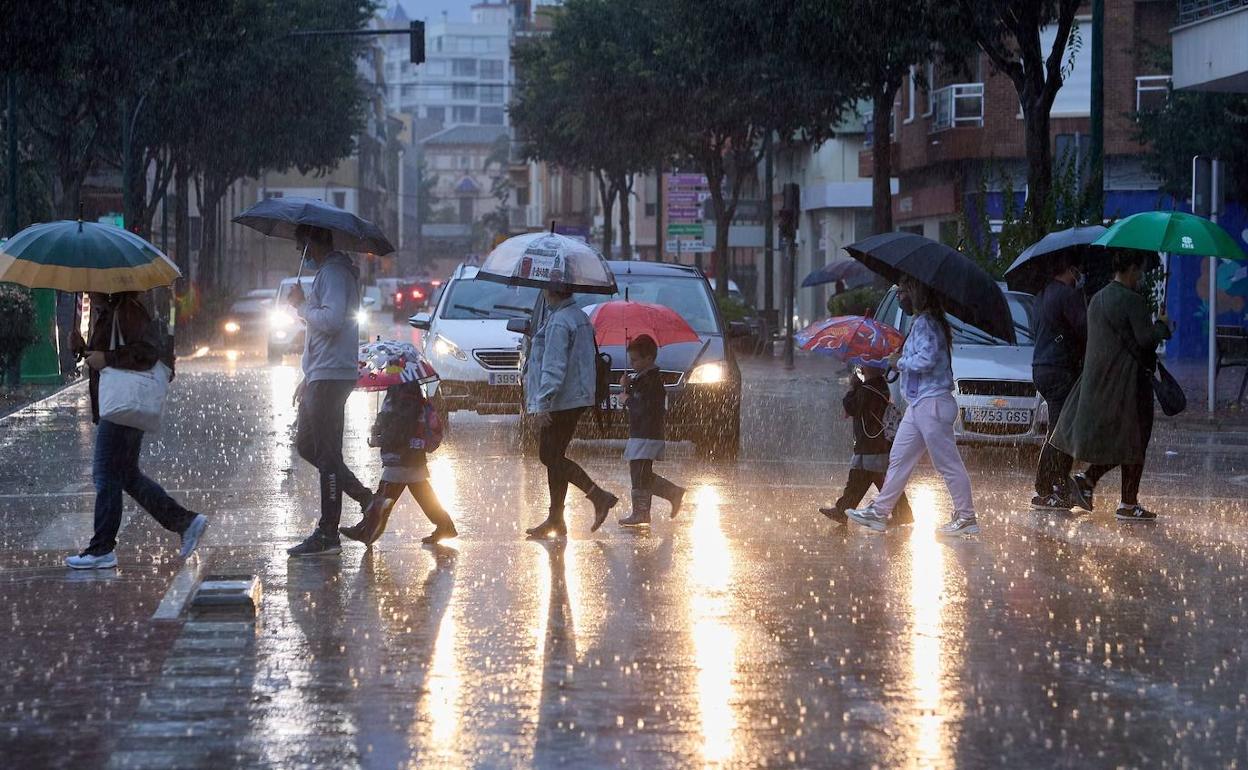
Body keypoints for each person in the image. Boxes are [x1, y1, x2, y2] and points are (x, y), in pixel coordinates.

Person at [65, 292, 207, 569]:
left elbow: (146, 352)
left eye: (92, 287)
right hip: (121, 404)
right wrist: (82, 349)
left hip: (124, 404)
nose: (88, 292)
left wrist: (107, 357)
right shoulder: (110, 312)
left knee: (105, 473)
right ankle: (185, 522)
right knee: (126, 475)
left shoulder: (127, 310)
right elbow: (105, 356)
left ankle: (102, 549)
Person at [846, 277, 980, 537]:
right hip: (920, 405)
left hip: (933, 404)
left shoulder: (927, 323)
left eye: (904, 292)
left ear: (917, 293)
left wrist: (900, 363)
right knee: (898, 458)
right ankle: (880, 511)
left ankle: (966, 516)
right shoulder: (923, 322)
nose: (900, 297)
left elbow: (927, 359)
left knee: (948, 464)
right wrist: (899, 357)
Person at [1051, 250, 1169, 521]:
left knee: (1125, 440)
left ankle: (1092, 482)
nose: (1141, 276)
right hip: (1130, 383)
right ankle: (1124, 502)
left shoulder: (1098, 299)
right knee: (1135, 441)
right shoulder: (1132, 301)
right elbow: (1145, 340)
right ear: (1132, 268)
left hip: (1099, 380)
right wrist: (1162, 327)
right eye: (1139, 270)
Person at [287, 225, 374, 557]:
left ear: (312, 242)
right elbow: (320, 334)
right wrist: (307, 376)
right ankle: (366, 498)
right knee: (308, 445)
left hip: (332, 375)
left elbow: (334, 320)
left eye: (302, 247)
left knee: (326, 455)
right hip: (320, 374)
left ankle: (328, 532)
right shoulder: (327, 273)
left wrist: (301, 307)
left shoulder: (335, 273)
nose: (302, 255)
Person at [524, 285, 619, 539]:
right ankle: (556, 519)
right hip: (575, 397)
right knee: (555, 456)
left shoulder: (560, 321)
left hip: (561, 399)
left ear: (550, 291)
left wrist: (542, 403)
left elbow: (554, 366)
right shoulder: (578, 316)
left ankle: (598, 496)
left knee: (549, 455)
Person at [340, 381, 457, 546]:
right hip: (409, 454)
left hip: (402, 454)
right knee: (420, 492)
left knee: (384, 497)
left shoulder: (405, 390)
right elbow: (390, 416)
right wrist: (378, 426)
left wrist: (380, 440)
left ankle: (367, 530)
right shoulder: (399, 387)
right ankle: (444, 525)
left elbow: (401, 427)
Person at [819, 365, 913, 527]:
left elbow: (852, 406)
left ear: (870, 369)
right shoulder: (879, 385)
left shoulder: (868, 389)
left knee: (881, 480)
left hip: (871, 444)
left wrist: (853, 387)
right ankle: (842, 510)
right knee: (859, 479)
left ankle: (902, 512)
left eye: (864, 365)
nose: (861, 367)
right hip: (873, 443)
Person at [1030, 257, 1088, 510]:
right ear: (1069, 268)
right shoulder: (1067, 295)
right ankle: (1056, 488)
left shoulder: (1042, 295)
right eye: (1077, 268)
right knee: (1062, 433)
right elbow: (1085, 330)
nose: (1080, 272)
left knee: (1056, 429)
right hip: (1060, 369)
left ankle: (1045, 485)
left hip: (1041, 367)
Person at [616, 334, 685, 527]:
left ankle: (655, 504)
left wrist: (627, 399)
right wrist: (627, 386)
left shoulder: (652, 381)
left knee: (640, 473)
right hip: (642, 433)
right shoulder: (644, 378)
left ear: (649, 359)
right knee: (639, 471)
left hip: (647, 434)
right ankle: (644, 511)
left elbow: (644, 408)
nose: (632, 364)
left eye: (636, 360)